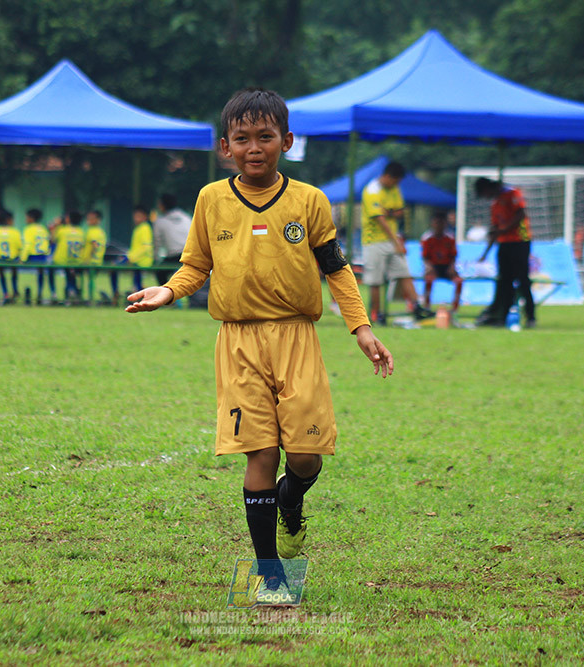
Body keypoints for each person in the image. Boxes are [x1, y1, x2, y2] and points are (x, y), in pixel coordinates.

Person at [126, 88, 393, 595]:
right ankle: (270, 574)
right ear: (226, 146)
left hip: (297, 338)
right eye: (242, 138)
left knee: (306, 457)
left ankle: (291, 502)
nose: (254, 147)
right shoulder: (210, 199)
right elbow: (195, 265)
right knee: (260, 455)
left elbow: (335, 267)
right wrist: (168, 290)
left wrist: (361, 327)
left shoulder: (309, 201)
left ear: (286, 141)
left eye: (265, 137)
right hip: (238, 342)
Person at [360, 162, 431, 325]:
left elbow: (400, 212)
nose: (396, 184)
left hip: (391, 240)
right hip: (373, 242)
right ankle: (376, 314)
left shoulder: (394, 189)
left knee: (404, 273)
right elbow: (380, 219)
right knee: (375, 281)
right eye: (395, 181)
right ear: (387, 176)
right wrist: (397, 241)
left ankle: (417, 308)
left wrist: (389, 212)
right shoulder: (372, 190)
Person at [474, 177, 536, 328]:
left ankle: (530, 317)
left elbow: (521, 214)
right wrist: (485, 253)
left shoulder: (512, 193)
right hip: (504, 244)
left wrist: (505, 228)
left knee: (523, 280)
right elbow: (496, 229)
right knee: (504, 282)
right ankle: (502, 317)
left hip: (520, 242)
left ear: (487, 188)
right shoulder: (494, 204)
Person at [420, 211, 463, 316]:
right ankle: (427, 306)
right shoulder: (427, 238)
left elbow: (453, 255)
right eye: (436, 223)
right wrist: (429, 267)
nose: (439, 226)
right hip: (433, 266)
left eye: (441, 223)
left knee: (459, 281)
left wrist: (452, 267)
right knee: (429, 280)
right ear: (432, 224)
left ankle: (455, 309)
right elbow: (425, 256)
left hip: (446, 267)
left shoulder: (450, 237)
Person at [153, 194, 192, 284]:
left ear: (163, 205)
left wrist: (155, 260)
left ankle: (168, 295)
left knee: (160, 272)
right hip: (189, 254)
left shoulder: (160, 221)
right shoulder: (186, 217)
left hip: (175, 255)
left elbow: (157, 243)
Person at [0, 209, 22, 304]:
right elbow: (20, 246)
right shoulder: (15, 232)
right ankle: (15, 290)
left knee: (0, 271)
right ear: (9, 220)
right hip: (12, 259)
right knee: (14, 270)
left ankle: (5, 292)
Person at [51, 211, 85, 301]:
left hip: (62, 259)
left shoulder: (62, 230)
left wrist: (55, 224)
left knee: (50, 270)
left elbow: (53, 239)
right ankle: (72, 290)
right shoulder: (81, 231)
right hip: (76, 260)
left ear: (68, 219)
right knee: (71, 273)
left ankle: (53, 293)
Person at [21, 208, 51, 305]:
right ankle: (39, 293)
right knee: (41, 274)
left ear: (31, 218)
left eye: (27, 217)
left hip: (32, 256)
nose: (25, 219)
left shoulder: (28, 229)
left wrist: (22, 258)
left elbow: (27, 245)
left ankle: (25, 293)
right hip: (42, 256)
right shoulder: (43, 229)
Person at [126, 205, 154, 293]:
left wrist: (132, 258)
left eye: (139, 216)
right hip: (136, 260)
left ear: (145, 217)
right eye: (135, 216)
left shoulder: (145, 228)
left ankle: (116, 294)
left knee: (138, 281)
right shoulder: (138, 228)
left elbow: (146, 247)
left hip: (142, 261)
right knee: (137, 281)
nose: (136, 218)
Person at [84, 210, 108, 303]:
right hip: (98, 260)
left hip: (91, 261)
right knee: (92, 280)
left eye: (92, 218)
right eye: (88, 218)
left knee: (90, 281)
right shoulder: (101, 231)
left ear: (98, 220)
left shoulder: (92, 231)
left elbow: (94, 246)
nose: (89, 220)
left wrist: (87, 259)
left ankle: (91, 299)